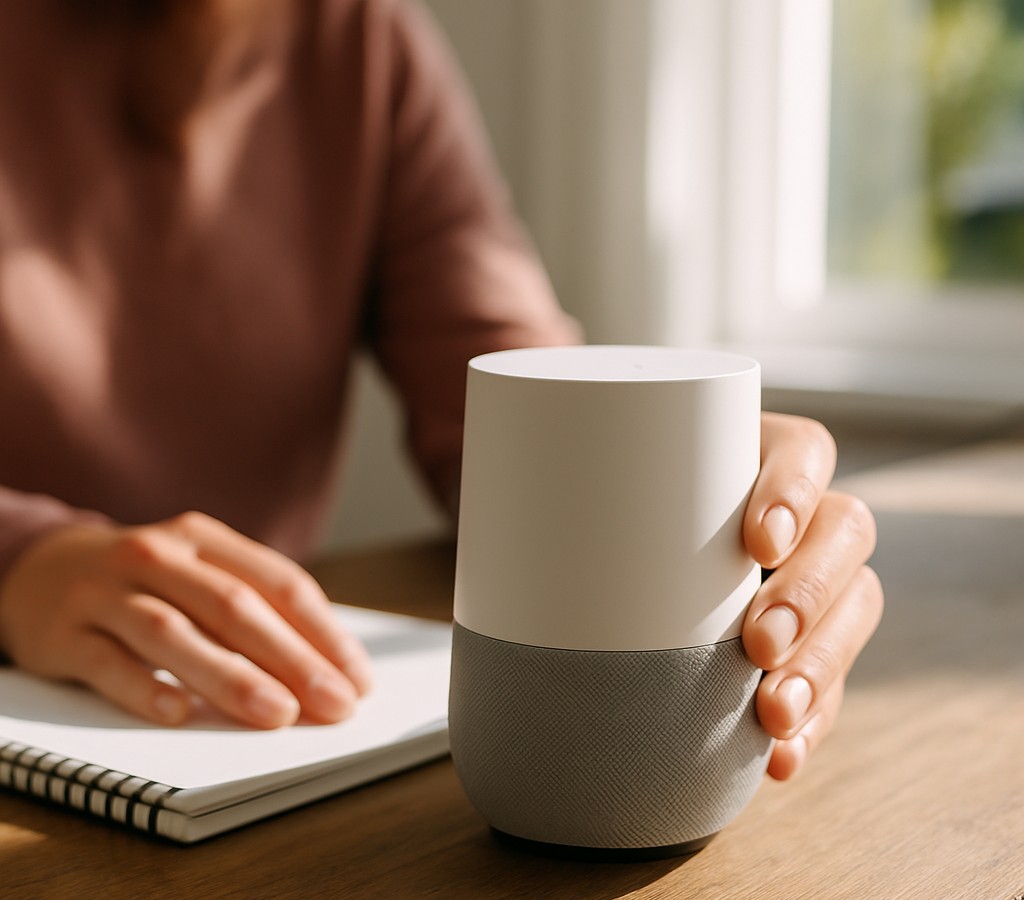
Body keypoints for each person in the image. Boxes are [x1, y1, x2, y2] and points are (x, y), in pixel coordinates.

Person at [0, 0, 881, 782]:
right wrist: (21, 562)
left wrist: (695, 497)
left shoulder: (354, 39)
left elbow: (511, 413)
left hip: (262, 749)